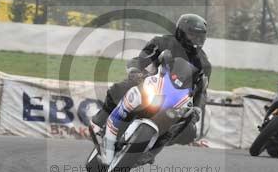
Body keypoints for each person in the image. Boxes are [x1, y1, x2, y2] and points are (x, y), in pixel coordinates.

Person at [90, 13, 212, 153]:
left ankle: (152, 150)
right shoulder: (162, 42)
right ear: (181, 32)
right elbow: (141, 59)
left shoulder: (204, 64)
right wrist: (135, 71)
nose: (196, 40)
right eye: (192, 35)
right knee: (121, 88)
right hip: (150, 83)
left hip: (175, 100)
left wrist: (197, 108)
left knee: (189, 131)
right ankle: (100, 121)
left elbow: (202, 91)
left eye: (200, 36)